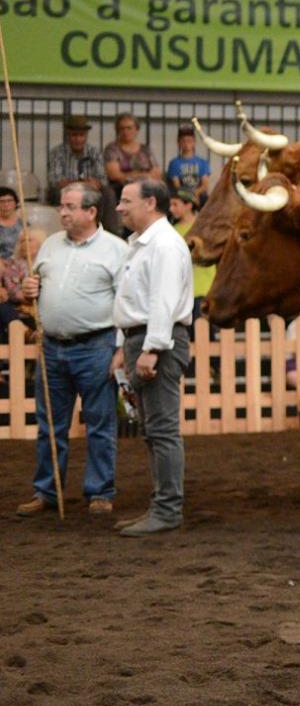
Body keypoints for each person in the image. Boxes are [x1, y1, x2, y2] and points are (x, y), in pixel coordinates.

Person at [15, 185, 124, 519]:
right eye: (61, 206)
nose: (61, 212)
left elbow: (126, 302)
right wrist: (30, 288)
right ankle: (47, 490)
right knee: (50, 426)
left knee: (100, 423)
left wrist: (120, 350)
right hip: (52, 346)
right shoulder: (49, 245)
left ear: (91, 212)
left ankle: (100, 492)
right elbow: (35, 286)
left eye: (69, 207)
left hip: (97, 345)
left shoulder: (116, 249)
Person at [111, 179, 194, 537]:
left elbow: (163, 300)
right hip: (142, 339)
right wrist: (125, 346)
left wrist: (153, 348)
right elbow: (137, 300)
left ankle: (167, 510)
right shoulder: (145, 244)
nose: (119, 207)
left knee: (161, 430)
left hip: (154, 340)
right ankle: (162, 506)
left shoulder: (163, 245)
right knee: (153, 430)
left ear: (150, 203)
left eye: (126, 200)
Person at [44, 114, 104, 206]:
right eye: (74, 135)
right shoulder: (56, 153)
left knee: (109, 193)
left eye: (81, 135)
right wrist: (82, 185)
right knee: (55, 193)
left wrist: (96, 184)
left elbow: (102, 179)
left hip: (90, 191)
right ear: (68, 135)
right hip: (65, 191)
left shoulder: (95, 152)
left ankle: (105, 221)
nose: (78, 139)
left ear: (86, 136)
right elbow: (55, 181)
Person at [168, 189, 213, 305]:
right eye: (170, 205)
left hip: (205, 286)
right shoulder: (171, 230)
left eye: (175, 204)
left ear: (188, 205)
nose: (171, 209)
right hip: (182, 291)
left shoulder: (204, 226)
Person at [163, 124, 211, 201]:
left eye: (189, 140)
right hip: (182, 198)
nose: (186, 143)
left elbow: (205, 185)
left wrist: (196, 193)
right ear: (178, 143)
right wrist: (191, 197)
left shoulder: (202, 163)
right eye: (183, 140)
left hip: (200, 197)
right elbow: (177, 187)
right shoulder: (174, 163)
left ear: (194, 142)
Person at [0, 184, 22, 259]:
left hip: (20, 263)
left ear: (15, 203)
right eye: (1, 201)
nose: (6, 205)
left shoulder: (23, 223)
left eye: (9, 201)